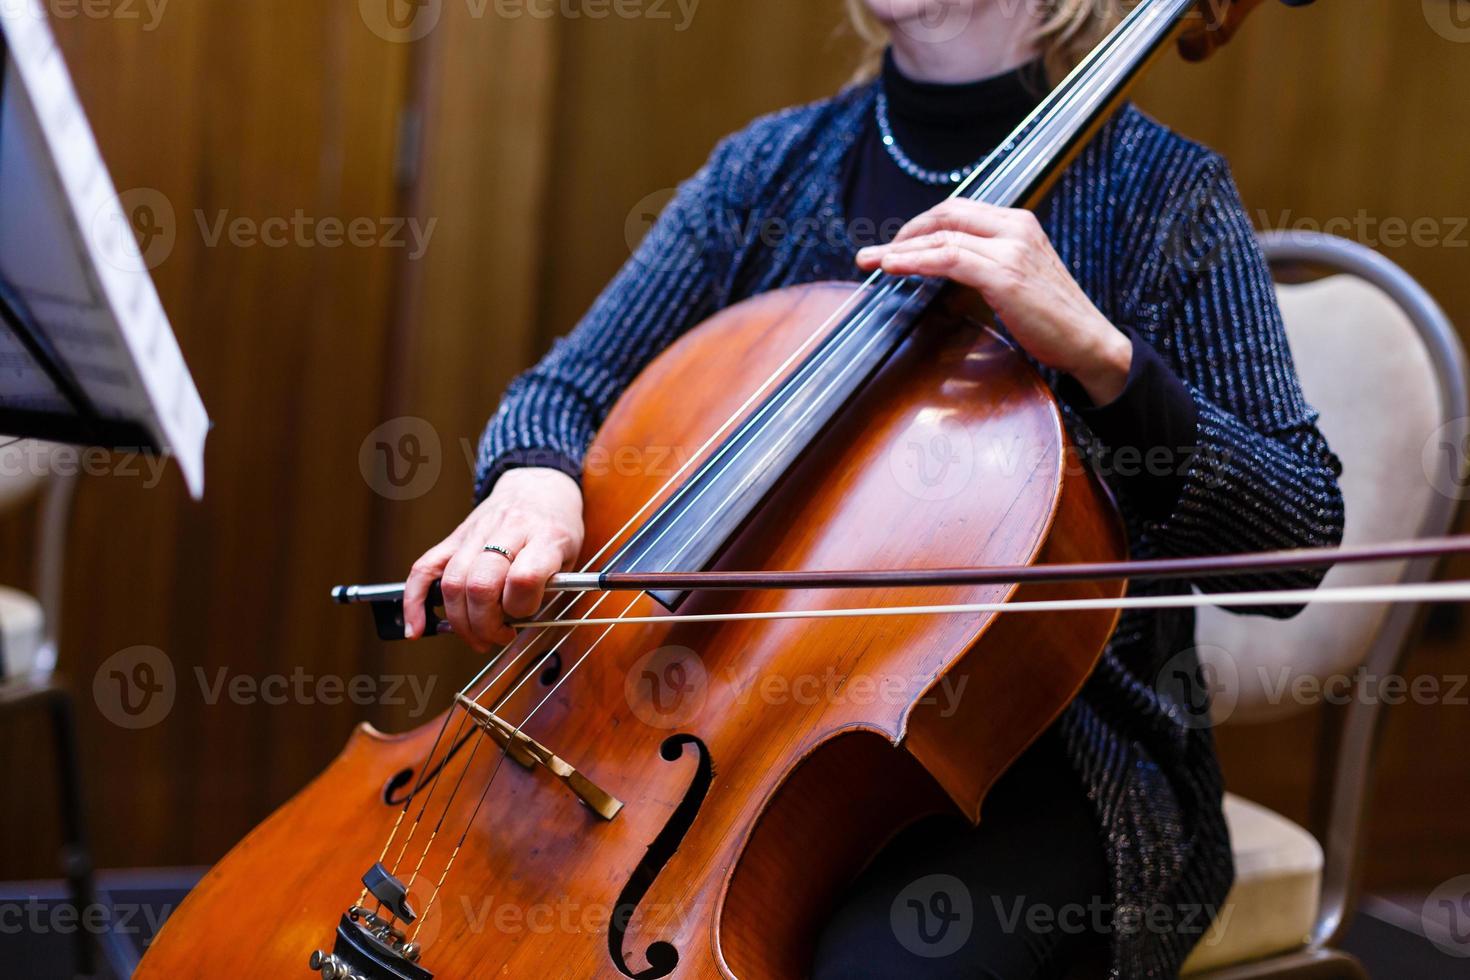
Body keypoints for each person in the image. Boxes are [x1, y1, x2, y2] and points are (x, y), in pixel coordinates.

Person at [403, 0, 1345, 975]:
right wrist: (535, 484)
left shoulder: (1164, 196)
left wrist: (1104, 357)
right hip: (721, 713)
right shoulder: (766, 170)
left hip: (1040, 757)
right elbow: (566, 389)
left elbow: (1299, 535)